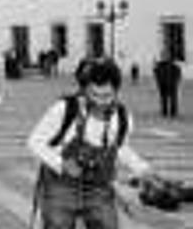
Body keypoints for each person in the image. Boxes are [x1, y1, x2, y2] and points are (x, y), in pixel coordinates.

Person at [27, 61, 158, 229]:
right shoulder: (65, 109)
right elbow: (34, 141)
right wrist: (61, 164)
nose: (100, 102)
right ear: (85, 90)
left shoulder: (123, 118)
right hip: (61, 188)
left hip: (99, 189)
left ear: (116, 92)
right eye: (94, 95)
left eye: (107, 96)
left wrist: (142, 168)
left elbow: (119, 147)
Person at [153, 53, 182, 119]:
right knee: (166, 99)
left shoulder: (174, 67)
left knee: (170, 99)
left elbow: (178, 75)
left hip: (169, 84)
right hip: (166, 85)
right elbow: (157, 75)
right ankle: (168, 112)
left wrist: (176, 82)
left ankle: (170, 112)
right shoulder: (161, 66)